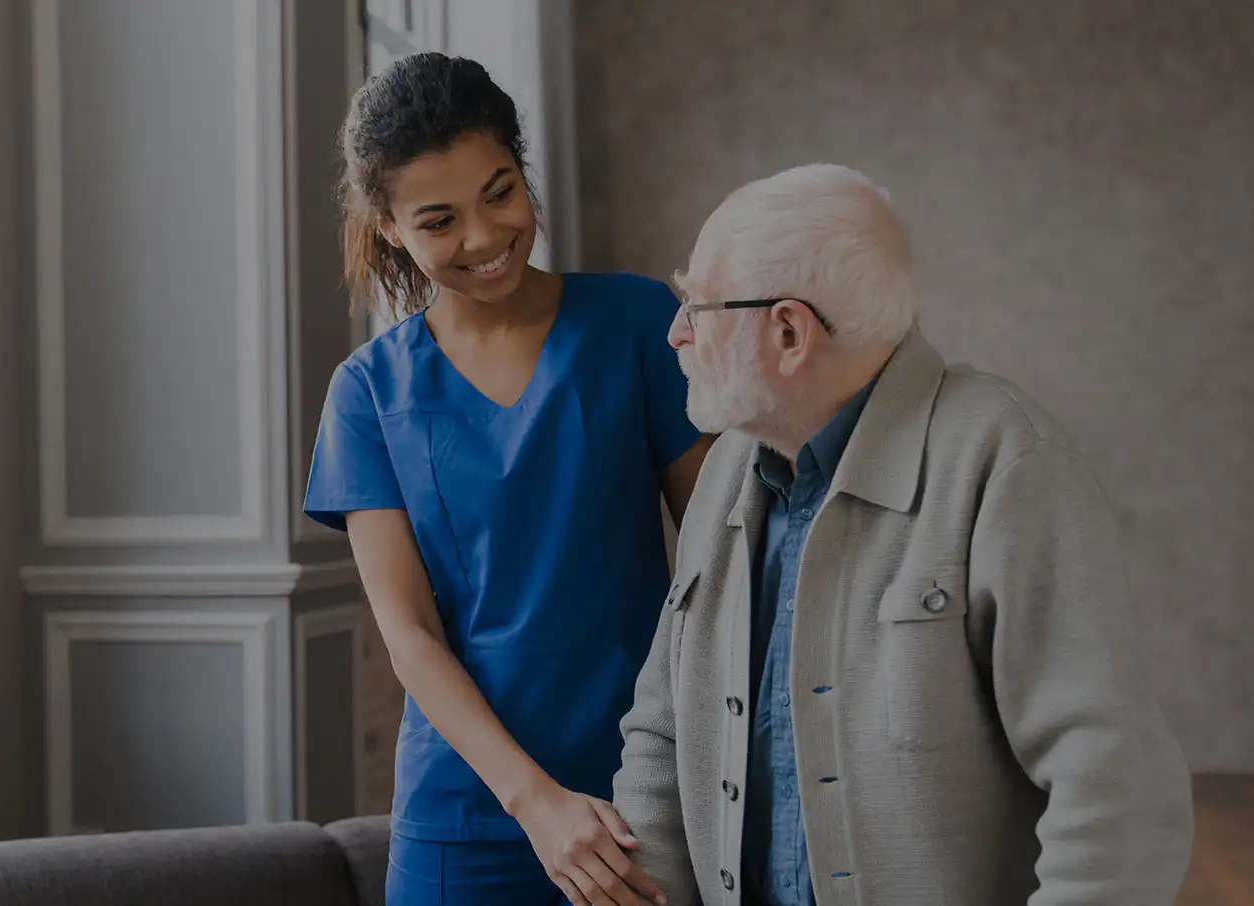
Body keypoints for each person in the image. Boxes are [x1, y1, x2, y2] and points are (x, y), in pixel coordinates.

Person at [612, 162, 1194, 905]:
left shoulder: (1003, 460)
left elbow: (1116, 793)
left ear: (788, 331)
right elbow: (660, 739)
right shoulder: (728, 468)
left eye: (699, 304)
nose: (677, 332)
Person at [303, 52, 712, 906]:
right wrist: (535, 804)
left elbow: (721, 565)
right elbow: (409, 632)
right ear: (388, 226)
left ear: (523, 172)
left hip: (642, 794)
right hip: (464, 816)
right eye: (440, 218)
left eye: (499, 193)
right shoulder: (367, 393)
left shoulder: (638, 325)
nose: (484, 238)